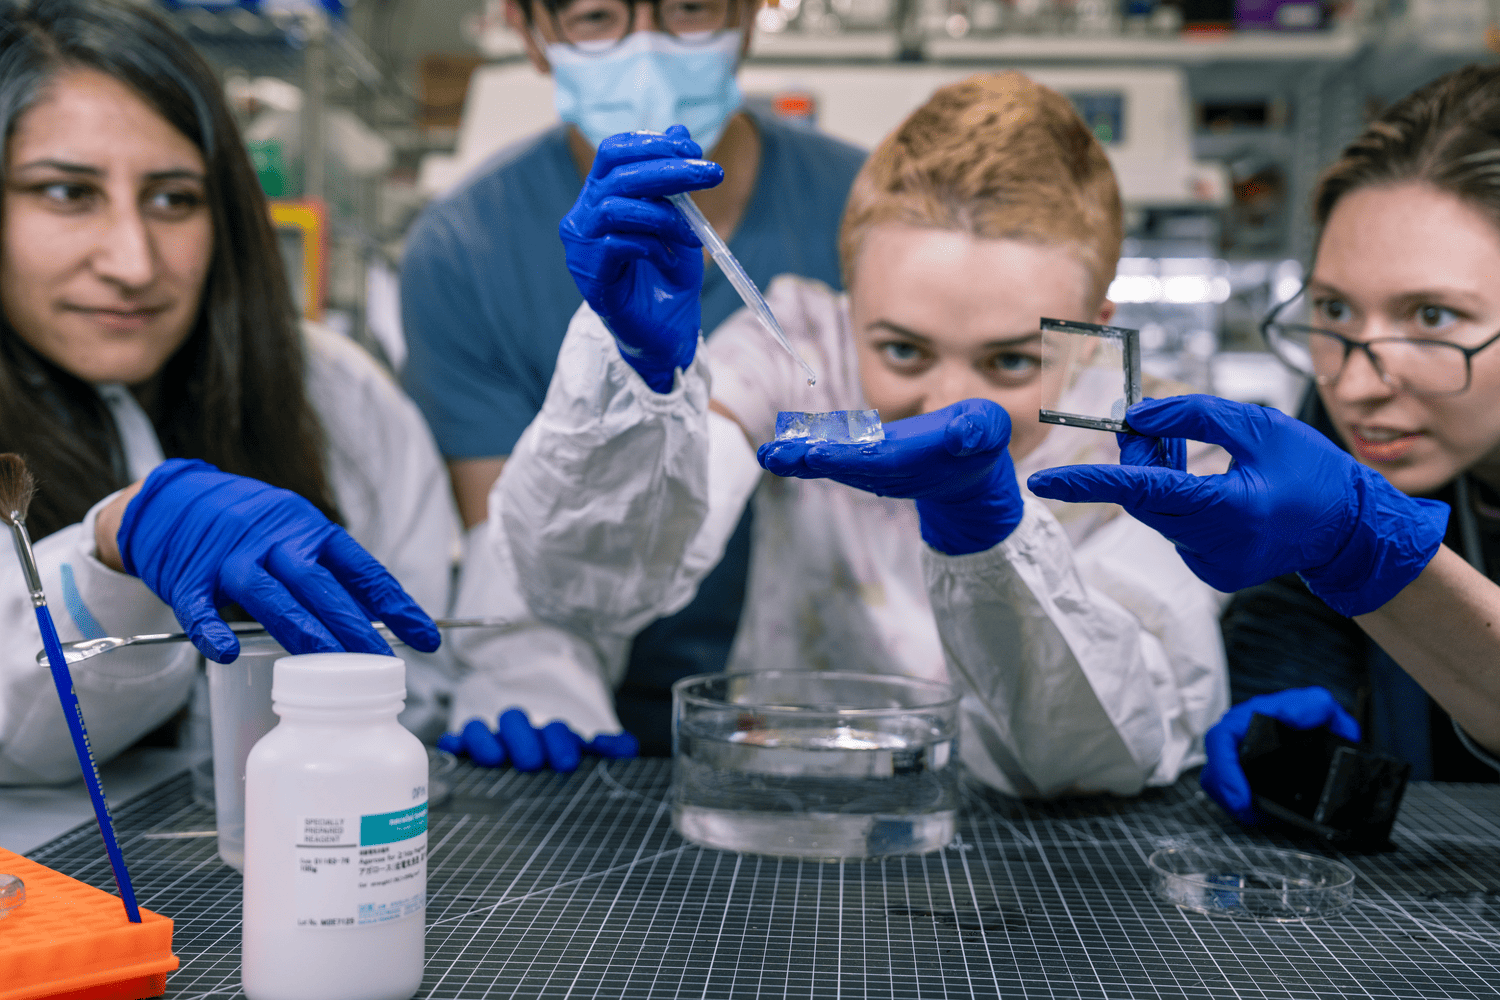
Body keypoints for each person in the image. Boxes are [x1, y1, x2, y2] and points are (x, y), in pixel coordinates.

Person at [486, 74, 1232, 798]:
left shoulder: (1161, 446)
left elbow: (1109, 749)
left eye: (1010, 360)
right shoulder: (800, 353)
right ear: (850, 308)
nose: (947, 403)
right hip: (793, 809)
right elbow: (602, 576)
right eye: (902, 350)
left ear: (1091, 334)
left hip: (1053, 864)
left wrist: (986, 534)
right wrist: (642, 381)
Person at [0, 0, 454, 783]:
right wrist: (111, 545)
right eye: (67, 192)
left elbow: (426, 681)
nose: (133, 262)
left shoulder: (333, 392)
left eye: (175, 198)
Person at [400, 0, 866, 755]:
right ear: (530, 33)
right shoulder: (464, 248)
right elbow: (505, 538)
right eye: (595, 15)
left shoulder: (864, 211)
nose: (646, 50)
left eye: (688, 7)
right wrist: (532, 671)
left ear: (749, 14)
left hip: (838, 714)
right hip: (602, 717)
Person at [1028, 392, 1500, 820]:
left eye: (1434, 317)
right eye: (1333, 310)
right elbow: (1294, 610)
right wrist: (1281, 707)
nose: (1357, 381)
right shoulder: (1348, 411)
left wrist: (1362, 540)